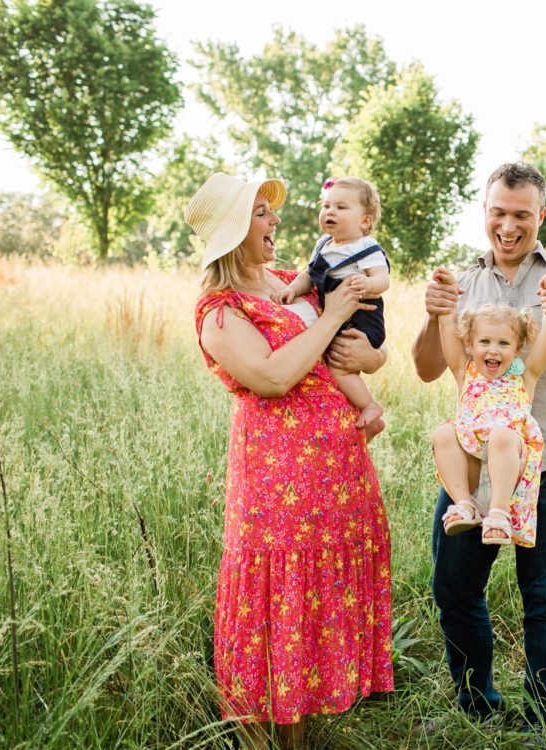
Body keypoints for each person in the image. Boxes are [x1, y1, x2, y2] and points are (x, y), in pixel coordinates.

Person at [411, 162, 546, 732]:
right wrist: (434, 313)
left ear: (541, 216)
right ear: (485, 212)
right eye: (498, 213)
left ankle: (542, 722)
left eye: (522, 215)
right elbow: (429, 370)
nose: (509, 226)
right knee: (453, 588)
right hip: (475, 465)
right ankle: (476, 706)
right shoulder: (461, 282)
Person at [187, 172, 394, 750]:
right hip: (281, 484)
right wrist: (330, 318)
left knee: (316, 600)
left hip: (338, 472)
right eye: (260, 214)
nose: (275, 221)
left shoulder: (288, 282)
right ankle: (274, 743)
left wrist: (371, 359)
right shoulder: (221, 311)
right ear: (232, 234)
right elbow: (275, 377)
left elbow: (361, 346)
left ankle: (308, 731)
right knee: (281, 601)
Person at [431, 274, 546, 547]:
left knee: (502, 436)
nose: (493, 350)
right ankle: (464, 505)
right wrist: (446, 297)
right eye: (485, 342)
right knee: (444, 433)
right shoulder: (464, 372)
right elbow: (446, 326)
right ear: (469, 343)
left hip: (507, 471)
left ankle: (499, 514)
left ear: (517, 349)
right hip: (469, 469)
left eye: (503, 344)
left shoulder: (525, 377)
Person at [273, 176, 389, 431]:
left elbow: (383, 279)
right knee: (335, 364)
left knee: (341, 367)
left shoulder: (366, 247)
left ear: (365, 221)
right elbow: (309, 275)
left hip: (362, 316)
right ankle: (353, 415)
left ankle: (369, 406)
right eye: (326, 206)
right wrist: (292, 289)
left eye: (341, 207)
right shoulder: (323, 246)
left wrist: (368, 285)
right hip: (338, 315)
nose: (330, 212)